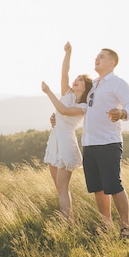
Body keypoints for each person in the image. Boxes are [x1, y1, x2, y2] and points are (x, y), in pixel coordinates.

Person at [81, 47, 129, 239]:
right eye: (96, 56)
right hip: (89, 143)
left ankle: (126, 228)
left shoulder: (117, 83)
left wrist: (122, 113)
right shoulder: (94, 84)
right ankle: (106, 225)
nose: (97, 58)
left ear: (112, 63)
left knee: (113, 185)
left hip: (108, 142)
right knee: (98, 188)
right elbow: (80, 106)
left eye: (102, 57)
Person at [41, 41, 93, 220]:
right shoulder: (67, 94)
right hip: (55, 141)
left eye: (80, 80)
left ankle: (67, 224)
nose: (76, 81)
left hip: (66, 145)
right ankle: (67, 219)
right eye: (77, 78)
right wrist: (68, 53)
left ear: (85, 87)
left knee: (63, 188)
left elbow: (63, 111)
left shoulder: (83, 106)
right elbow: (64, 74)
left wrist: (48, 92)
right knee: (59, 188)